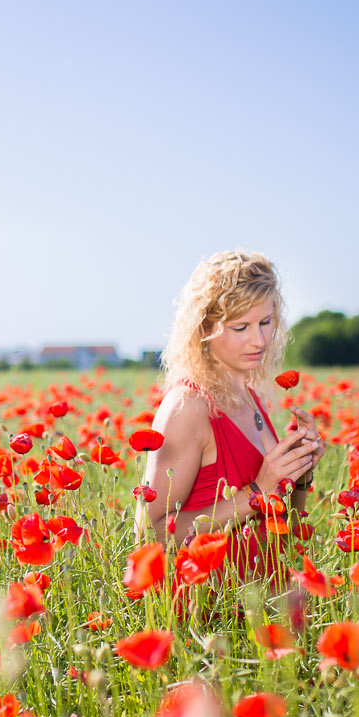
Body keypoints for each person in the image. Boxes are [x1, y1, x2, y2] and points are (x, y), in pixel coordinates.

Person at [138, 249, 325, 591]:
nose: (260, 340)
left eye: (266, 322)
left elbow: (285, 527)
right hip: (209, 615)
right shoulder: (188, 405)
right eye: (241, 327)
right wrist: (256, 492)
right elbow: (151, 530)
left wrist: (300, 475)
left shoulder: (250, 397)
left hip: (263, 605)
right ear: (205, 329)